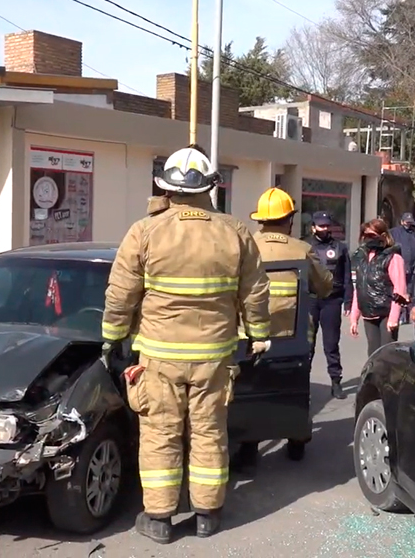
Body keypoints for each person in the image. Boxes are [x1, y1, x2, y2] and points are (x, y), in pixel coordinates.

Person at [102, 146, 272, 544]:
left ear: (166, 188)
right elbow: (255, 292)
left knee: (160, 435)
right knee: (209, 433)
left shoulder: (145, 230)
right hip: (214, 357)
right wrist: (259, 334)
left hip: (159, 358)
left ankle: (159, 519)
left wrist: (111, 338)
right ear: (210, 187)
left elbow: (120, 294)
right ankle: (208, 514)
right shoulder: (235, 231)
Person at [232, 187, 334, 472]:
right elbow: (324, 286)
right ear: (289, 219)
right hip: (294, 338)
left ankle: (249, 446)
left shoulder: (244, 247)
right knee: (295, 387)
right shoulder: (302, 250)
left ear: (260, 221)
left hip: (250, 336)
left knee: (251, 389)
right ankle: (296, 440)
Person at [305, 211, 352, 400]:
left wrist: (348, 300)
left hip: (332, 300)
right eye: (320, 226)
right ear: (313, 227)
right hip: (311, 299)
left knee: (331, 344)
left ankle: (336, 382)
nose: (324, 229)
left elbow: (347, 276)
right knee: (307, 344)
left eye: (326, 225)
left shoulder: (340, 247)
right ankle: (304, 383)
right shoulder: (305, 246)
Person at [350, 219, 408, 356]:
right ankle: (374, 378)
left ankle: (388, 378)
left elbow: (400, 288)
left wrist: (394, 318)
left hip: (386, 313)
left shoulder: (393, 257)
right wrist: (354, 317)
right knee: (373, 353)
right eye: (365, 235)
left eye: (371, 235)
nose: (367, 239)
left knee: (387, 354)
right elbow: (359, 287)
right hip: (368, 313)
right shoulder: (362, 257)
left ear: (383, 235)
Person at [388, 212, 415, 324]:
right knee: (400, 291)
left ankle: (408, 314)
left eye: (410, 222)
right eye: (406, 222)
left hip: (413, 268)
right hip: (399, 268)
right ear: (402, 221)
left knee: (410, 292)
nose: (408, 224)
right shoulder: (394, 233)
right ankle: (400, 314)